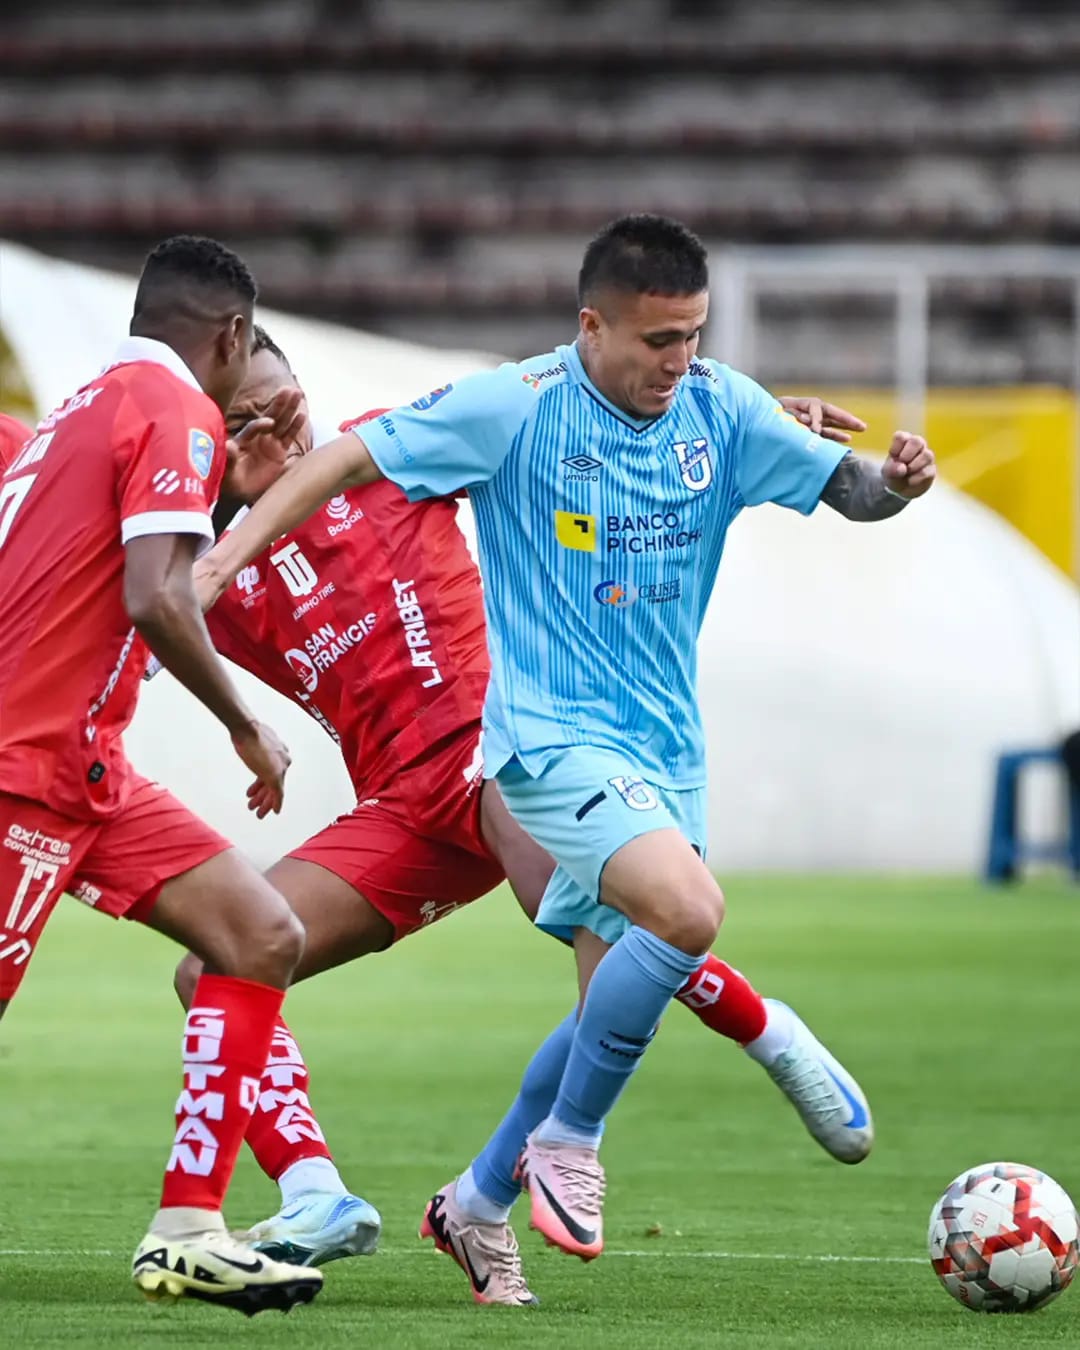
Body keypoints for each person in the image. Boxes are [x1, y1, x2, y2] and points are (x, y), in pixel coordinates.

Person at [195, 214, 937, 1304]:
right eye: (244, 419)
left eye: (285, 401)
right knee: (216, 958)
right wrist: (232, 669)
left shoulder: (412, 452)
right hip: (431, 800)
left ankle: (720, 1047)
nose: (275, 426)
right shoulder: (214, 572)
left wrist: (763, 427)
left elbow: (596, 443)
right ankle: (327, 1191)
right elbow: (139, 612)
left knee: (642, 936)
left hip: (497, 758)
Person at [0, 235, 323, 1316]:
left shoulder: (95, 401)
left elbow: (140, 566)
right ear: (231, 336)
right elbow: (155, 595)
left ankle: (190, 1226)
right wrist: (246, 724)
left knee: (261, 933)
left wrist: (224, 496)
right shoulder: (171, 410)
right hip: (23, 770)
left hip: (85, 768)